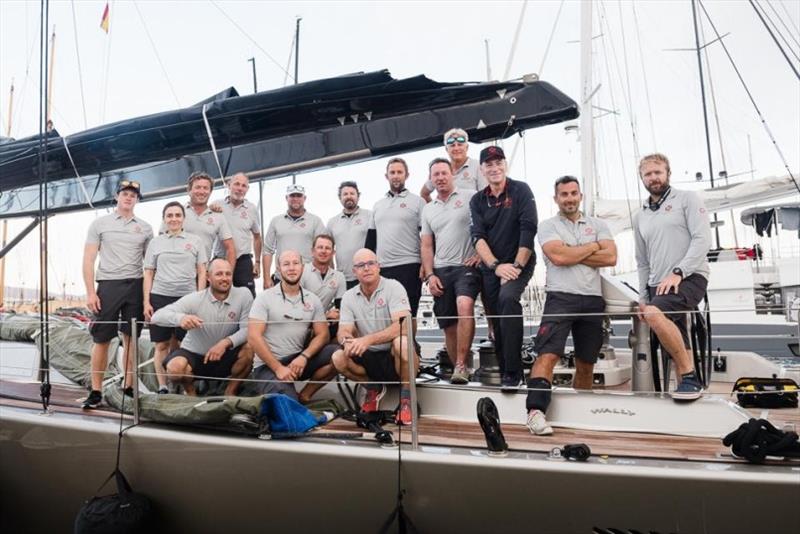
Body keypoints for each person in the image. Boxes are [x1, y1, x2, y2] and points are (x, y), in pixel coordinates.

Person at [525, 176, 617, 435]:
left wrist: (573, 251)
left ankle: (582, 408)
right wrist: (593, 247)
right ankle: (535, 412)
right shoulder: (547, 226)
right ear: (556, 198)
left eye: (573, 193)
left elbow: (610, 257)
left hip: (591, 299)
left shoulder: (598, 224)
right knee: (548, 354)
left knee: (586, 361)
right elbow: (557, 256)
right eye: (564, 194)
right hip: (560, 297)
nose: (569, 198)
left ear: (581, 196)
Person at [634, 153, 711, 401]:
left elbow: (702, 240)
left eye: (658, 172)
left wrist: (679, 273)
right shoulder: (641, 215)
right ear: (642, 178)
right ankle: (687, 395)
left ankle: (689, 377)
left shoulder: (687, 199)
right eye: (648, 174)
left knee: (655, 315)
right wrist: (643, 297)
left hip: (690, 277)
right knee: (677, 333)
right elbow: (642, 261)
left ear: (668, 173)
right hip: (658, 284)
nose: (653, 177)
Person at [470, 145, 538, 390]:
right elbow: (478, 237)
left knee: (508, 299)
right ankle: (503, 367)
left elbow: (528, 229)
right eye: (489, 164)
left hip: (520, 261)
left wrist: (516, 267)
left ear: (505, 164)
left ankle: (513, 372)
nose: (494, 167)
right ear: (482, 169)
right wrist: (496, 266)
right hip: (492, 266)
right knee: (495, 314)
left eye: (498, 162)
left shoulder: (521, 190)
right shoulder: (477, 200)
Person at [82, 180, 154, 409]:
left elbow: (150, 265)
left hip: (135, 285)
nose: (128, 197)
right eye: (125, 193)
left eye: (133, 194)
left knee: (131, 338)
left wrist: (147, 298)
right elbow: (89, 258)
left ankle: (129, 386)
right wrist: (91, 292)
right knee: (101, 339)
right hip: (108, 285)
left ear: (137, 199)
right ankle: (96, 390)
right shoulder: (99, 224)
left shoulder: (145, 228)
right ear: (117, 196)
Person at [331, 249, 418, 425]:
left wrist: (367, 340)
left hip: (395, 355)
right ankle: (373, 388)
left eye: (371, 263)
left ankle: (407, 398)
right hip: (369, 357)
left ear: (379, 267)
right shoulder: (349, 296)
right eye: (360, 265)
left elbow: (404, 326)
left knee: (401, 343)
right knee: (338, 357)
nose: (366, 268)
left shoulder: (394, 287)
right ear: (354, 271)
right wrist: (347, 340)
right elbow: (344, 330)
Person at [151, 258, 254, 396]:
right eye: (219, 274)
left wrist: (225, 343)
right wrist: (181, 318)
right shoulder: (195, 299)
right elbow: (157, 316)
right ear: (208, 277)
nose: (224, 278)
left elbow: (248, 329)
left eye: (228, 274)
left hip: (226, 355)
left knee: (250, 348)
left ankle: (230, 392)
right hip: (195, 356)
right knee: (174, 369)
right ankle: (191, 393)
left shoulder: (244, 295)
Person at [248, 250, 338, 403]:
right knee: (289, 407)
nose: (291, 268)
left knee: (339, 354)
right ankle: (290, 396)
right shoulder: (264, 298)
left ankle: (305, 395)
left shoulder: (313, 299)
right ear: (278, 269)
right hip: (268, 365)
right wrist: (278, 368)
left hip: (297, 361)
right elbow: (253, 337)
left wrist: (304, 357)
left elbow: (323, 335)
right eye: (286, 264)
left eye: (296, 263)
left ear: (302, 267)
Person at [420, 158, 481, 384]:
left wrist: (481, 254)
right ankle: (460, 370)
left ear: (451, 175)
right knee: (448, 324)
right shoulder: (428, 209)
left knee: (464, 306)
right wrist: (429, 274)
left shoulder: (470, 197)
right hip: (440, 270)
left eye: (444, 173)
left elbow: (487, 225)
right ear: (432, 179)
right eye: (436, 175)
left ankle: (462, 364)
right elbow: (426, 245)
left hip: (466, 267)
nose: (440, 178)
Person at [143, 201, 208, 394]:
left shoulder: (195, 241)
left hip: (187, 299)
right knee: (162, 344)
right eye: (169, 215)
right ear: (164, 219)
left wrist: (199, 298)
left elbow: (202, 272)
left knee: (184, 344)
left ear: (183, 219)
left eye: (177, 215)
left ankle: (183, 385)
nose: (173, 219)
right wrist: (147, 301)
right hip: (160, 297)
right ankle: (163, 386)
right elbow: (148, 273)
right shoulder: (155, 242)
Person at [366, 157, 426, 336]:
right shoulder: (377, 205)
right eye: (392, 172)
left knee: (409, 314)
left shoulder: (418, 202)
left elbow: (427, 237)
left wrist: (425, 265)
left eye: (400, 172)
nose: (396, 176)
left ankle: (413, 353)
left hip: (410, 266)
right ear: (387, 176)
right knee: (385, 316)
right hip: (383, 268)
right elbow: (371, 240)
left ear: (407, 175)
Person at [262, 183, 325, 288]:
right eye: (292, 196)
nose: (295, 199)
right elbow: (267, 251)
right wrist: (266, 278)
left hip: (308, 278)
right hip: (281, 277)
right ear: (286, 198)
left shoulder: (315, 221)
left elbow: (322, 251)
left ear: (304, 198)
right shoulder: (276, 221)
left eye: (299, 196)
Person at [213, 172, 262, 297]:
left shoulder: (252, 209)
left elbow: (257, 237)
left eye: (243, 186)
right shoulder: (216, 205)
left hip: (243, 263)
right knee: (217, 297)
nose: (240, 188)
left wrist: (257, 262)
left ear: (247, 189)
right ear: (229, 185)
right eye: (236, 184)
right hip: (220, 260)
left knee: (247, 299)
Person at [180, 171, 235, 267]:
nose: (202, 191)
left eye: (205, 188)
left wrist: (228, 275)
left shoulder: (218, 216)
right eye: (198, 187)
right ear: (189, 190)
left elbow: (230, 248)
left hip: (203, 274)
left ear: (210, 192)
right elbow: (162, 243)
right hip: (176, 274)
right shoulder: (176, 213)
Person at [420, 127, 487, 202]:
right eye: (452, 145)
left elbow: (485, 196)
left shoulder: (478, 166)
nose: (456, 148)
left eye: (460, 144)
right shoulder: (441, 170)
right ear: (446, 149)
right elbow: (424, 193)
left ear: (467, 147)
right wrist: (436, 209)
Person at [326, 181, 372, 290]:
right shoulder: (332, 222)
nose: (349, 197)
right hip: (342, 279)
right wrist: (332, 274)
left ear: (358, 196)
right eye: (345, 194)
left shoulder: (370, 216)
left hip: (366, 276)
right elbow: (328, 251)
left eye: (352, 193)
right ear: (340, 197)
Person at [300, 234, 347, 338]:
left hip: (323, 324)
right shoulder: (301, 271)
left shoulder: (339, 276)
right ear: (312, 251)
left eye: (328, 248)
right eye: (320, 247)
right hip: (300, 323)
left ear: (333, 253)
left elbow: (340, 308)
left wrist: (331, 317)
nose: (323, 251)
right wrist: (325, 316)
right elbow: (296, 308)